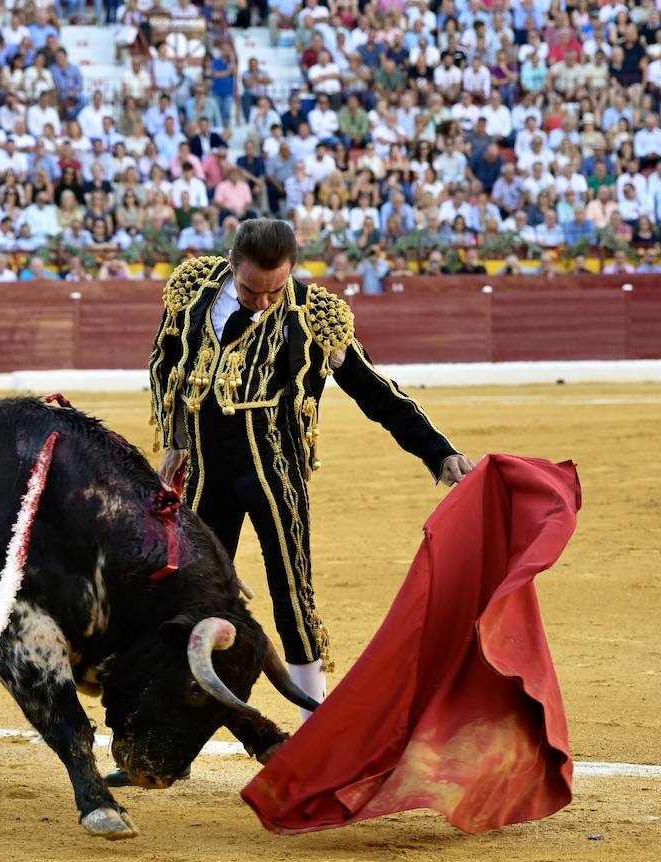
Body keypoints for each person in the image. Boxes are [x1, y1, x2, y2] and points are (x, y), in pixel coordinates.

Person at [133, 219, 473, 784]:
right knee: (186, 601)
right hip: (206, 475)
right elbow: (164, 365)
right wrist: (173, 434)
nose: (264, 301)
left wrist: (438, 454)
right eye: (251, 291)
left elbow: (375, 393)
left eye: (275, 289)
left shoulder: (315, 318)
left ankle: (313, 744)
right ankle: (170, 745)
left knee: (293, 595)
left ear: (292, 268)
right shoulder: (193, 291)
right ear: (231, 264)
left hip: (275, 477)